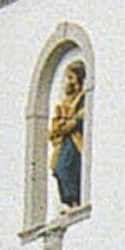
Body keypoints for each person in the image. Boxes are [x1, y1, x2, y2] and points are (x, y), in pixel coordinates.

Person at [48, 58, 88, 210]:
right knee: (58, 168)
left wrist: (73, 121)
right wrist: (62, 126)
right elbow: (56, 123)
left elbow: (81, 116)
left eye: (71, 78)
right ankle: (70, 202)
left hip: (75, 141)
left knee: (65, 166)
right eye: (67, 78)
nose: (67, 82)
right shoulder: (64, 102)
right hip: (65, 140)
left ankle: (76, 200)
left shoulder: (82, 98)